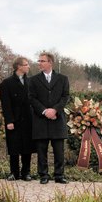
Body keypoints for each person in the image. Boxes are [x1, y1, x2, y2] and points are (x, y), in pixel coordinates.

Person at [29, 52, 70, 184]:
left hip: (57, 119)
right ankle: (44, 175)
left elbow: (65, 97)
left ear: (50, 62)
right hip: (40, 119)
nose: (39, 63)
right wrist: (44, 111)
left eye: (42, 61)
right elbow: (32, 98)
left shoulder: (63, 79)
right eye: (39, 60)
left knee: (59, 150)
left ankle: (59, 175)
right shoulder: (33, 80)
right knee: (41, 150)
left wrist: (54, 110)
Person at [0, 57, 36, 181]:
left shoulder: (31, 82)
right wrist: (9, 120)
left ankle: (26, 172)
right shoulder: (6, 83)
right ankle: (14, 172)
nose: (28, 66)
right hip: (14, 120)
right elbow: (6, 104)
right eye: (26, 64)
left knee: (27, 147)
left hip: (28, 120)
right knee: (14, 147)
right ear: (18, 67)